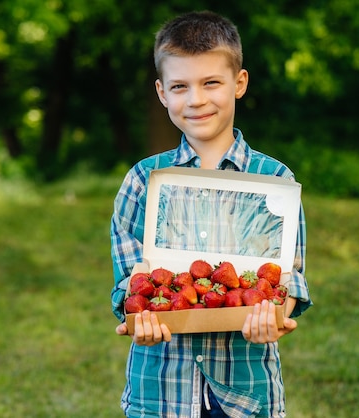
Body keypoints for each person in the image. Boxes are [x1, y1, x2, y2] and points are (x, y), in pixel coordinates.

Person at [111, 10, 312, 418]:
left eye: (211, 83)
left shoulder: (274, 179)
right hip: (161, 392)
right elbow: (130, 285)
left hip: (245, 391)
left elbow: (287, 276)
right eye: (180, 86)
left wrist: (275, 314)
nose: (196, 99)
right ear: (162, 92)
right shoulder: (143, 180)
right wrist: (140, 311)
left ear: (239, 84)